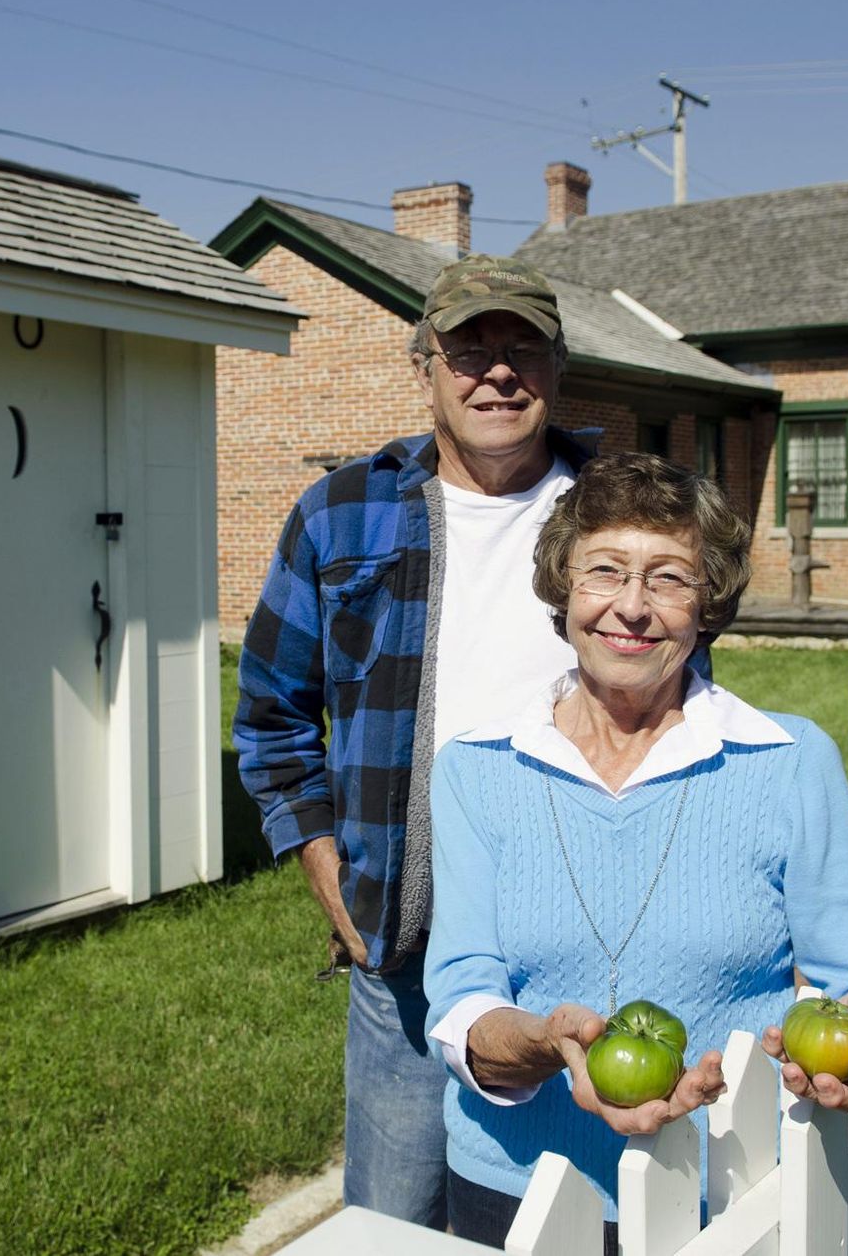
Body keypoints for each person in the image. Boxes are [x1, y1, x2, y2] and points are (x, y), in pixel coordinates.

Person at [422, 453, 848, 1252]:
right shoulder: (476, 766)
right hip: (519, 1189)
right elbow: (460, 998)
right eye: (604, 571)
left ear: (708, 608)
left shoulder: (786, 760)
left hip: (729, 1190)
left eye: (668, 578)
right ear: (563, 589)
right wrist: (541, 1042)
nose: (631, 606)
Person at [233, 254, 602, 1228]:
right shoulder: (341, 512)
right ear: (423, 365)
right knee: (393, 1226)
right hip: (403, 950)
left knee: (565, 1220)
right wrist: (322, 866)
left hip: (580, 951)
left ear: (556, 367)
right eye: (468, 349)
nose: (496, 372)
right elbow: (271, 716)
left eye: (520, 347)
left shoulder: (622, 510)